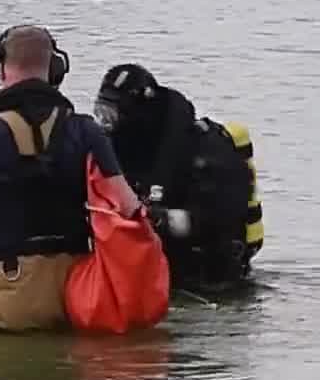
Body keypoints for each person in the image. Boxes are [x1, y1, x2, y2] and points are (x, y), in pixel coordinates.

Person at [0, 25, 140, 332]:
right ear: (54, 69)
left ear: (2, 67)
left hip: (9, 297)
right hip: (79, 292)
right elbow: (127, 207)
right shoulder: (85, 130)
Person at [94, 63, 263, 295]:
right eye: (101, 113)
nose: (106, 123)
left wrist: (161, 219)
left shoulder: (204, 151)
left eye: (111, 115)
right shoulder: (120, 150)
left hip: (211, 281)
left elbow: (219, 219)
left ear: (140, 112)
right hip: (155, 275)